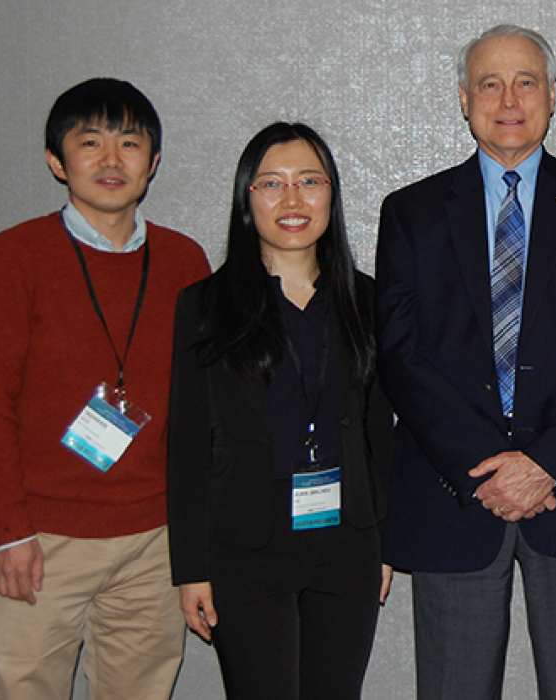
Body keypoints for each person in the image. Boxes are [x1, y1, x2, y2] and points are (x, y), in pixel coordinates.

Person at [374, 24, 556, 700]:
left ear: (553, 95)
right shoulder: (410, 213)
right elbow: (401, 355)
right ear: (463, 101)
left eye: (526, 81)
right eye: (489, 83)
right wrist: (489, 468)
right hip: (456, 495)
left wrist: (546, 462)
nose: (508, 97)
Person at [0, 78, 209, 699]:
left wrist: (197, 536)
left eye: (129, 142)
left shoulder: (185, 262)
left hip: (154, 538)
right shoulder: (12, 258)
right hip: (43, 538)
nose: (111, 159)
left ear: (153, 162)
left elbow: (205, 409)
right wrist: (7, 531)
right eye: (89, 141)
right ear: (56, 160)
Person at [167, 122, 393, 700]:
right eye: (271, 184)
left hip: (348, 542)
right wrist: (189, 567)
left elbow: (381, 434)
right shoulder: (206, 306)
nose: (292, 200)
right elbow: (187, 444)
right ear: (247, 199)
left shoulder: (369, 301)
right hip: (247, 546)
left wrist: (388, 543)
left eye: (309, 181)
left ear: (332, 195)